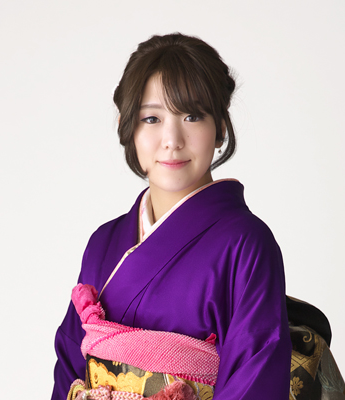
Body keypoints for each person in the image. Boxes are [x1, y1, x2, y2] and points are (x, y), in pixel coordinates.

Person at [52, 33, 293, 400]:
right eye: (151, 118)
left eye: (192, 116)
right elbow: (69, 370)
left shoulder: (246, 243)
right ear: (127, 126)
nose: (172, 140)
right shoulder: (103, 243)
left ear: (220, 127)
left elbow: (255, 378)